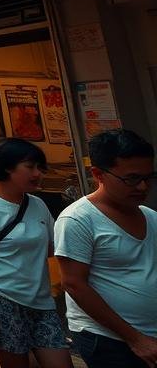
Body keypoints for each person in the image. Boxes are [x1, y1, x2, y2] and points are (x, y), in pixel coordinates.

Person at [0, 138, 70, 368]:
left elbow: (52, 247)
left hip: (42, 302)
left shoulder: (38, 204)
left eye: (40, 167)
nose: (38, 173)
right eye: (30, 167)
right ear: (7, 167)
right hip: (2, 300)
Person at [56, 129, 157, 368]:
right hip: (109, 341)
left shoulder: (150, 216)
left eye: (148, 177)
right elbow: (74, 284)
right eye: (131, 178)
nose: (142, 186)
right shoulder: (78, 219)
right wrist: (135, 339)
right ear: (98, 174)